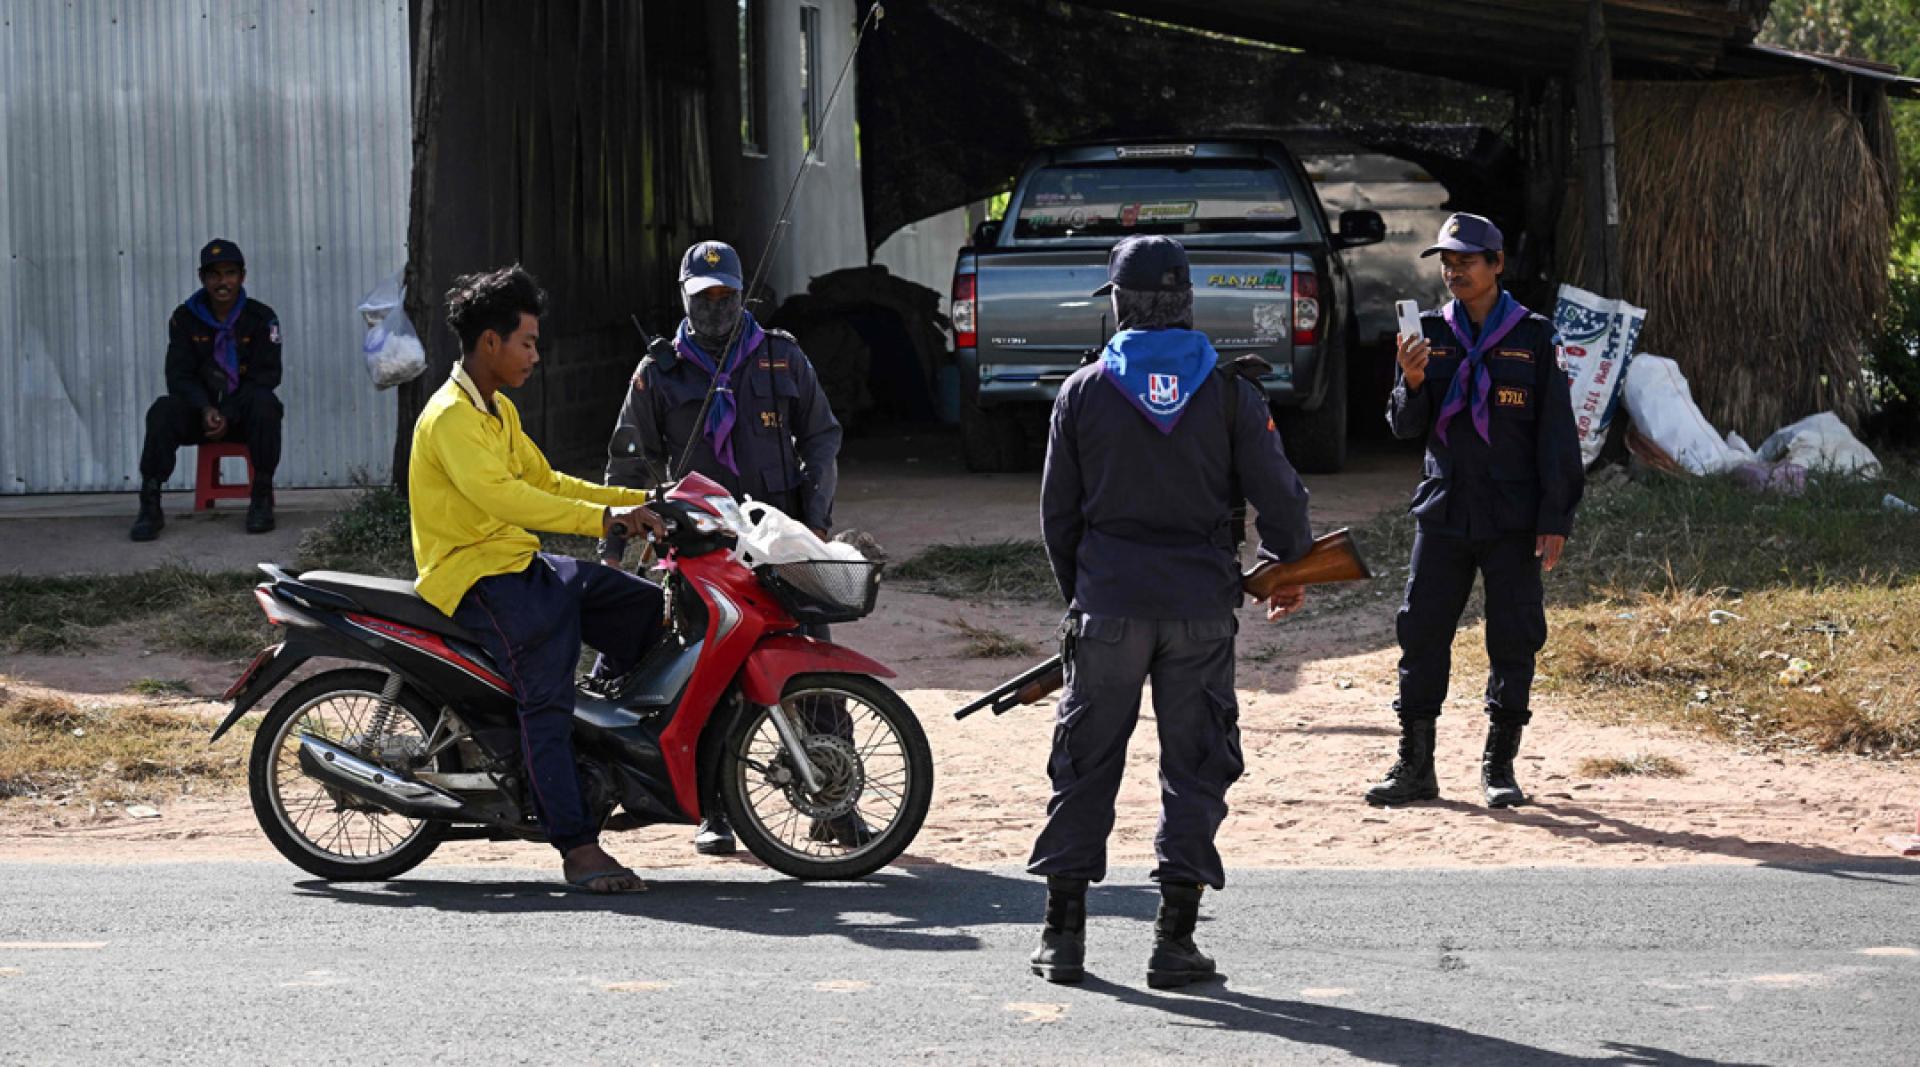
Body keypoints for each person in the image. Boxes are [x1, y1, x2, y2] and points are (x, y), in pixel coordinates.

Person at [1028, 235, 1315, 988]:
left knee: (1085, 761)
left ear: (1120, 304)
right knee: (1195, 765)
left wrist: (1085, 596)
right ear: (1187, 302)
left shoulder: (1083, 392)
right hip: (1199, 608)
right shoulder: (1229, 393)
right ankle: (1174, 942)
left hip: (1110, 609)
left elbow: (1058, 519)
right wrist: (1289, 567)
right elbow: (1281, 498)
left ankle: (1064, 938)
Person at [410, 264, 668, 894]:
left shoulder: (496, 410)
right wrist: (606, 518)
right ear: (489, 343)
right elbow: (509, 501)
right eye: (526, 342)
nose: (535, 354)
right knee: (546, 698)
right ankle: (577, 849)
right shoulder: (451, 418)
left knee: (641, 607)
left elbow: (548, 482)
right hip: (478, 579)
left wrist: (645, 499)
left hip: (521, 567)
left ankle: (596, 730)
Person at [600, 240, 845, 857]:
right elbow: (628, 459)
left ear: (743, 294)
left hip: (780, 540)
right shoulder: (658, 372)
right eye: (703, 298)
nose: (716, 308)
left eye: (726, 296)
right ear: (684, 299)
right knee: (706, 673)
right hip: (699, 544)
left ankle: (836, 803)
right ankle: (716, 810)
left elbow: (821, 437)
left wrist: (813, 522)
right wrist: (623, 537)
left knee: (812, 662)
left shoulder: (781, 358)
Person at [1366, 212, 1584, 810]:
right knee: (1421, 631)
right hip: (1445, 508)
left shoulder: (1534, 337)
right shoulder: (1428, 333)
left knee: (1513, 635)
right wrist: (1409, 383)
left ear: (1497, 265)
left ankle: (1499, 766)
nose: (1454, 269)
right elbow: (1405, 428)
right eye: (1447, 259)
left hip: (1513, 517)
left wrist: (1555, 516)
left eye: (1467, 259)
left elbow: (1555, 436)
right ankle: (1415, 766)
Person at [132, 239, 284, 540]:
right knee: (162, 410)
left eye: (229, 273)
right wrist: (206, 409)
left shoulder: (261, 318)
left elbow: (266, 375)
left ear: (242, 276)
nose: (222, 282)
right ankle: (150, 503)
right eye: (214, 275)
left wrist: (227, 411)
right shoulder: (185, 318)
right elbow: (178, 375)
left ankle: (261, 497)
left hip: (242, 417)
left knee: (266, 402)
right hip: (199, 416)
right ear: (203, 279)